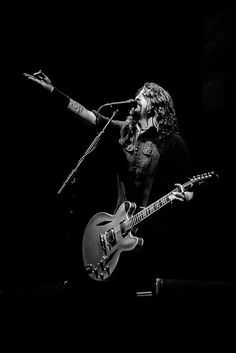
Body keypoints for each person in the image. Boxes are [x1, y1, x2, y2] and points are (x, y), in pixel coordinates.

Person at [23, 70, 194, 300]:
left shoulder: (172, 142)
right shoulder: (123, 130)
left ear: (155, 105)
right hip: (117, 225)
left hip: (152, 233)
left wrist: (186, 196)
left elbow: (189, 187)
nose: (136, 97)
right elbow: (85, 114)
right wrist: (52, 91)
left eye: (143, 95)